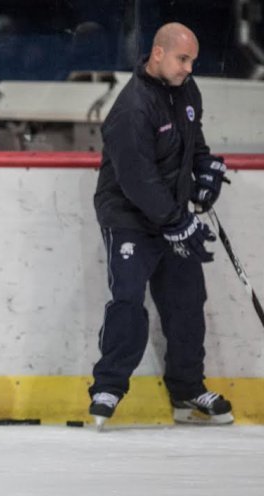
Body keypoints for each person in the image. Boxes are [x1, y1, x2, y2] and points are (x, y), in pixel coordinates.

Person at [89, 23, 233, 429]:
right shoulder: (131, 108)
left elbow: (194, 144)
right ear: (157, 53)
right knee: (128, 300)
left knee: (187, 302)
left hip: (171, 214)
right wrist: (178, 221)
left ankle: (187, 389)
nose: (188, 68)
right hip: (130, 217)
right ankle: (109, 386)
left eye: (192, 61)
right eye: (182, 59)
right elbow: (137, 179)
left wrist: (205, 172)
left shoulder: (187, 91)